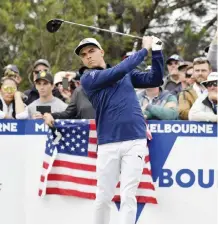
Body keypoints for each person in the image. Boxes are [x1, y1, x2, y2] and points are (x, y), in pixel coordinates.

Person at [46, 36, 163, 224]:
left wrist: (157, 52)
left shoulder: (125, 73)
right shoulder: (88, 78)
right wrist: (144, 50)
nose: (88, 57)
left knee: (128, 195)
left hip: (135, 140)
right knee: (103, 196)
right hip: (108, 143)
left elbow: (155, 78)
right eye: (84, 55)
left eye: (91, 51)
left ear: (101, 52)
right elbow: (119, 70)